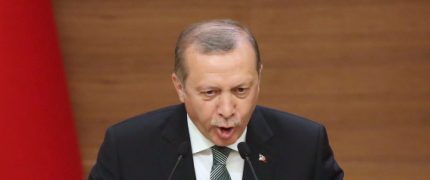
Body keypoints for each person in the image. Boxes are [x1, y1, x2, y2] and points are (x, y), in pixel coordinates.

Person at [89, 19, 344, 180]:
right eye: (210, 93)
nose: (227, 109)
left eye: (241, 90)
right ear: (179, 87)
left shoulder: (304, 147)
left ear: (259, 79)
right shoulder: (127, 150)